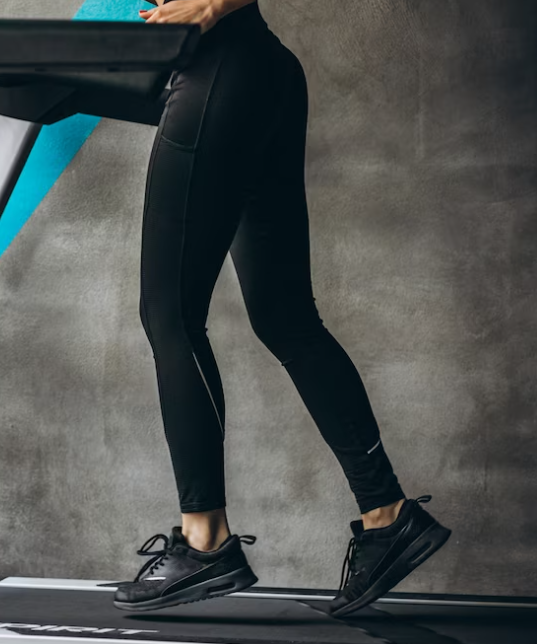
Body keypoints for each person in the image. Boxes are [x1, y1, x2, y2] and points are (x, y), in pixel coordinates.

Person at [111, 0, 451, 616]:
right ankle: (388, 515)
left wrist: (213, 2)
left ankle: (205, 540)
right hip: (256, 71)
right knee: (285, 318)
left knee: (172, 315)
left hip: (220, 68)